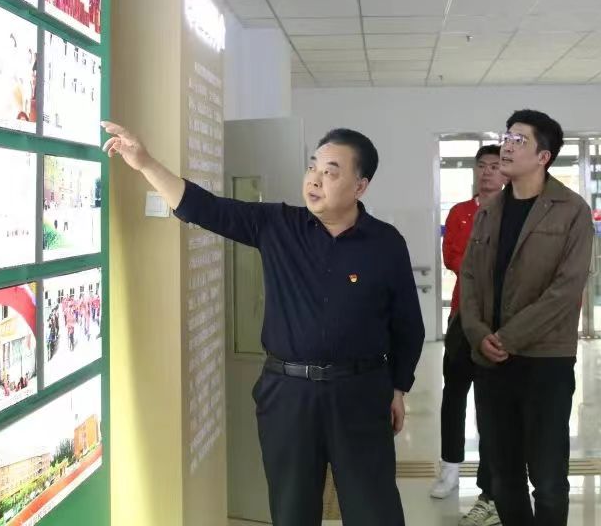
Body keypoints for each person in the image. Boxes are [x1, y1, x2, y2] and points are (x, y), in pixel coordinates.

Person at [102, 120, 424, 526]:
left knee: (374, 511)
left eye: (331, 172)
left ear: (360, 186)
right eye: (313, 167)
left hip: (360, 392)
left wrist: (398, 387)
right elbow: (204, 207)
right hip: (289, 395)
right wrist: (145, 162)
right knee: (292, 512)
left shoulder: (385, 243)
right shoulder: (278, 225)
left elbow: (407, 324)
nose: (315, 179)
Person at [459, 109, 594, 526]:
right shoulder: (489, 210)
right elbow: (469, 277)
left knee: (548, 478)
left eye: (519, 140)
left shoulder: (571, 210)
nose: (507, 146)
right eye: (506, 137)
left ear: (543, 156)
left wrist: (508, 337)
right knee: (504, 475)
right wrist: (478, 333)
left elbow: (566, 289)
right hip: (491, 361)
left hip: (545, 361)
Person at [431, 145, 506, 526]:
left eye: (495, 166)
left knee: (490, 402)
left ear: (505, 172)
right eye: (482, 166)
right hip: (463, 314)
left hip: (499, 320)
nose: (487, 172)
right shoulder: (460, 212)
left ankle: (489, 485)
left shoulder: (512, 211)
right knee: (454, 393)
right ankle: (449, 467)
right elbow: (452, 257)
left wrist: (480, 267)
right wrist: (482, 268)